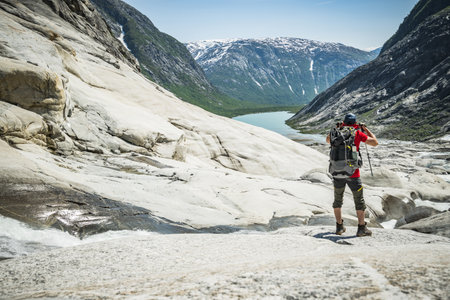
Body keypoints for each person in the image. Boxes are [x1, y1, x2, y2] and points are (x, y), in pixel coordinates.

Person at [326, 113, 378, 237]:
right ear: (355, 123)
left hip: (337, 173)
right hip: (353, 173)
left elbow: (328, 140)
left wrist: (338, 128)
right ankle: (361, 228)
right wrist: (365, 129)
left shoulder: (336, 133)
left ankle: (339, 227)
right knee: (359, 200)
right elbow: (375, 142)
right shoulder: (357, 133)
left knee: (337, 200)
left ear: (343, 122)